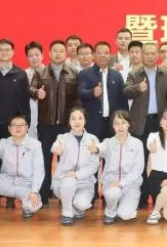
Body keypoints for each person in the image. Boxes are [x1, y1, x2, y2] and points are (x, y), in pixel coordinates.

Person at [30, 39, 79, 203]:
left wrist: (75, 122)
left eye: (61, 51)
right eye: (55, 51)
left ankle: (64, 194)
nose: (58, 54)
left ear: (66, 54)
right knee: (44, 160)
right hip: (46, 124)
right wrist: (36, 93)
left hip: (65, 125)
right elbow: (31, 88)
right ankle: (43, 195)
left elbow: (77, 99)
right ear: (49, 54)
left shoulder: (73, 73)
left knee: (66, 162)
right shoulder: (40, 72)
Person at [0, 114, 44, 222]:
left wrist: (34, 191)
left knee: (32, 207)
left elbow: (39, 170)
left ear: (27, 127)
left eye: (21, 125)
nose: (18, 128)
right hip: (7, 181)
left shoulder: (35, 144)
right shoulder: (5, 143)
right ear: (9, 129)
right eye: (14, 125)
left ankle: (27, 209)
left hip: (26, 184)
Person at [50, 106, 101, 225]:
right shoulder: (62, 138)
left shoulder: (93, 139)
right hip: (64, 181)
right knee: (69, 180)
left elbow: (94, 166)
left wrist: (77, 174)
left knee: (82, 204)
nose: (77, 122)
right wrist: (57, 149)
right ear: (69, 121)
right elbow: (55, 147)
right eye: (73, 118)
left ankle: (76, 207)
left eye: (80, 118)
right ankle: (67, 212)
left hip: (85, 182)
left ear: (85, 121)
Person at [98, 110, 145, 224]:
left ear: (128, 124)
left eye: (123, 122)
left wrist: (122, 183)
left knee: (125, 215)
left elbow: (138, 169)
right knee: (113, 193)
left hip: (130, 185)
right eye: (116, 123)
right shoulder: (108, 142)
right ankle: (110, 212)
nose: (120, 126)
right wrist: (94, 148)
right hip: (112, 183)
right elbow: (99, 148)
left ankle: (124, 206)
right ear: (113, 126)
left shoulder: (137, 143)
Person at [77, 41, 128, 139]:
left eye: (106, 53)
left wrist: (125, 121)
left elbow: (123, 100)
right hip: (92, 124)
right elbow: (80, 92)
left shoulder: (116, 75)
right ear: (94, 55)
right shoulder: (85, 73)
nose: (102, 55)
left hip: (114, 124)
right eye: (99, 53)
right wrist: (92, 92)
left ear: (110, 56)